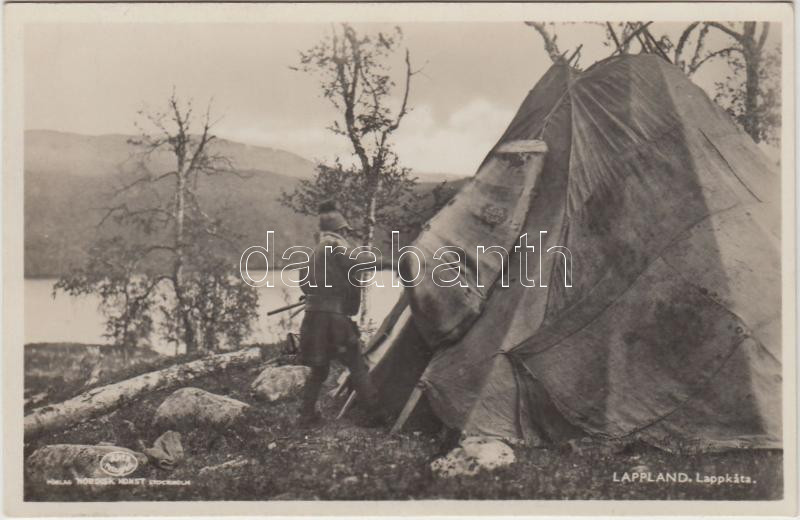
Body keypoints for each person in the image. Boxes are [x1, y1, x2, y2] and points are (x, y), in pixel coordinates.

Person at [296, 201, 385, 428]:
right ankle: (375, 414)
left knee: (319, 368)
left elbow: (304, 285)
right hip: (334, 319)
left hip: (313, 318)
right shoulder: (336, 246)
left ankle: (306, 416)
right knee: (356, 364)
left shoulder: (312, 253)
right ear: (341, 231)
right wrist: (393, 263)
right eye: (346, 231)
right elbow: (359, 263)